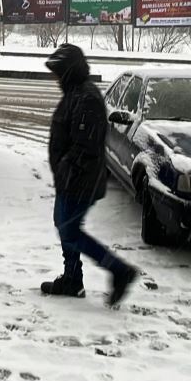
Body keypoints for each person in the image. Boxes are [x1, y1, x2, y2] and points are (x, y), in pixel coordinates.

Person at [42, 43, 138, 306]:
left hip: (80, 179)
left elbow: (85, 146)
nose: (55, 78)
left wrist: (66, 170)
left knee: (70, 230)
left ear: (68, 71)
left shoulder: (86, 97)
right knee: (64, 226)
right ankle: (73, 279)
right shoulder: (76, 92)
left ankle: (120, 271)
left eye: (58, 72)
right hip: (71, 178)